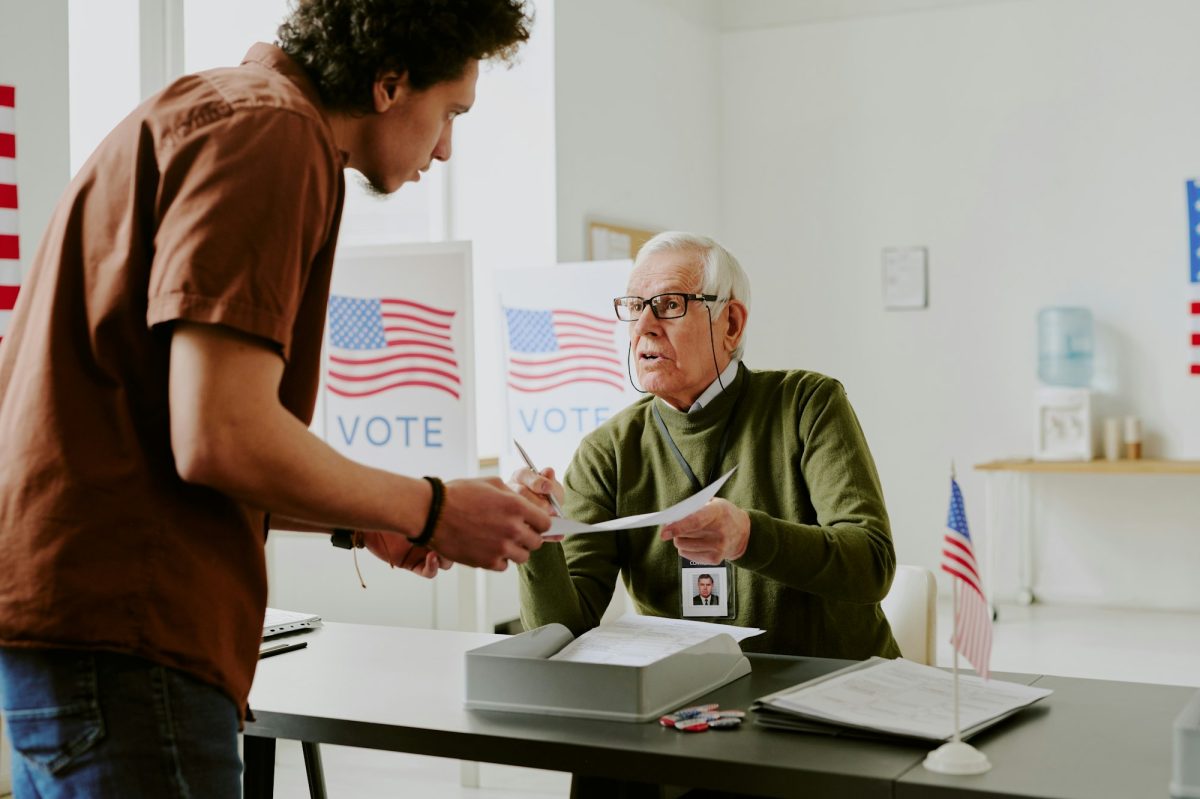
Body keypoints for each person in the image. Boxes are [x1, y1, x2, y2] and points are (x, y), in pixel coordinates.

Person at [0, 1, 546, 795]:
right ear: (391, 84)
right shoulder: (274, 133)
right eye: (450, 113)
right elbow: (220, 433)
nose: (449, 147)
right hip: (130, 637)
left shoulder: (209, 111)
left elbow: (174, 439)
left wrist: (372, 516)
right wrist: (430, 506)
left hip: (72, 628)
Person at [514, 231, 900, 661]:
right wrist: (538, 542)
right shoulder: (608, 451)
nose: (643, 327)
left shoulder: (807, 403)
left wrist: (747, 537)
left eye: (669, 305)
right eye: (635, 307)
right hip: (689, 702)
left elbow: (872, 564)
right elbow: (565, 634)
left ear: (731, 324)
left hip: (832, 689)